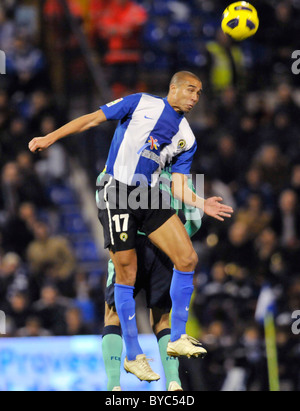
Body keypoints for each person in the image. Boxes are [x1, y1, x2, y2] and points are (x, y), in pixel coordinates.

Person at [28, 71, 234, 382]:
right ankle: (134, 355)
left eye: (199, 93)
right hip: (116, 190)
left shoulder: (187, 138)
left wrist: (200, 202)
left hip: (146, 195)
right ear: (174, 88)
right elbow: (92, 119)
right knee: (125, 271)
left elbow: (177, 184)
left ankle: (178, 337)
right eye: (191, 90)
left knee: (188, 258)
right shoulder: (140, 103)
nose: (195, 98)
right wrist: (50, 137)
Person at [102, 168, 202, 391]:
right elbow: (195, 220)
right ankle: (174, 380)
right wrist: (171, 243)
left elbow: (108, 212)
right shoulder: (180, 176)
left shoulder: (117, 168)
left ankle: (113, 384)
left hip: (128, 246)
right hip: (164, 253)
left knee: (113, 314)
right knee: (162, 320)